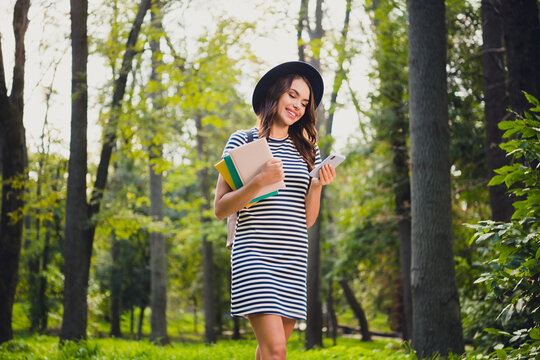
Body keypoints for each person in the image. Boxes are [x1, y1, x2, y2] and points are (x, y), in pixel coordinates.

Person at [214, 61, 336, 360]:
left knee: (269, 351)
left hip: (293, 257)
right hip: (255, 253)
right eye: (292, 95)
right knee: (277, 351)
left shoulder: (308, 149)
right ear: (275, 93)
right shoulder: (243, 140)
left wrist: (318, 185)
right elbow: (220, 208)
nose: (298, 105)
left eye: (304, 102)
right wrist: (259, 182)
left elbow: (306, 219)